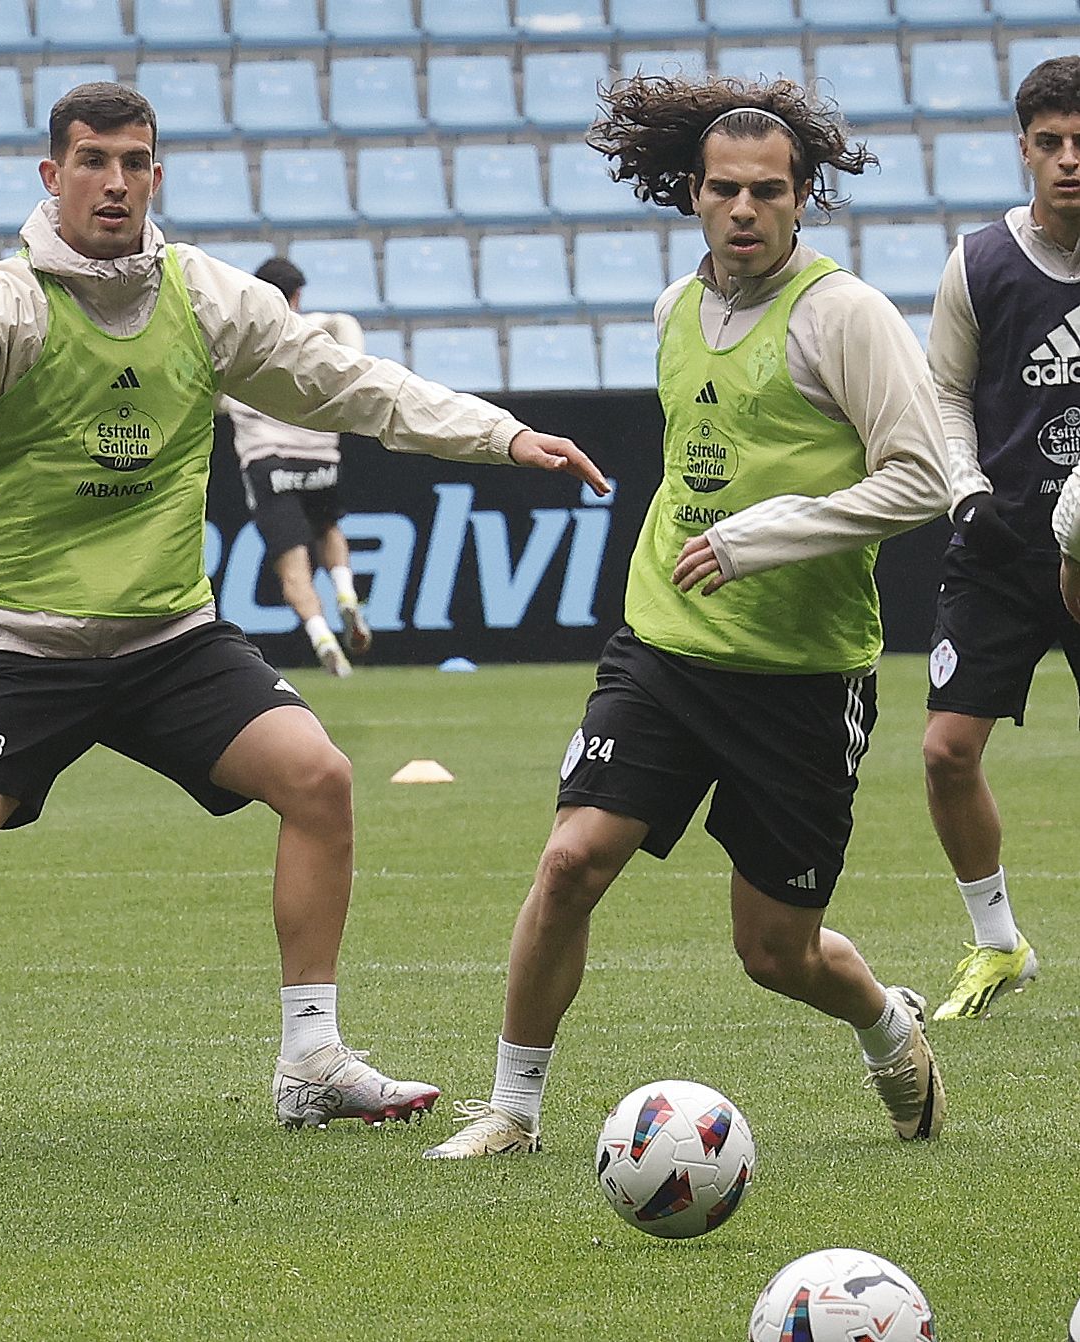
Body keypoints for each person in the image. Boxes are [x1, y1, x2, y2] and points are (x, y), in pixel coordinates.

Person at [0, 81, 609, 1141]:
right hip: (31, 638)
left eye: (134, 162)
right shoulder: (14, 295)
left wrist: (499, 435)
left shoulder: (205, 295)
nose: (115, 182)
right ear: (50, 174)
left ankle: (309, 1060)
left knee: (318, 778)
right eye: (92, 161)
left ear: (155, 173)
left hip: (169, 638)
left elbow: (349, 384)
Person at [422, 75, 952, 1160]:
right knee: (570, 861)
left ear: (802, 197)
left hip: (802, 673)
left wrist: (761, 537)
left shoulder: (843, 315)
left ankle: (884, 1022)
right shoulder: (674, 308)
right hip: (663, 646)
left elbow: (922, 481)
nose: (744, 209)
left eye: (767, 190)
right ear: (691, 195)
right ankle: (513, 1112)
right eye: (723, 190)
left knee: (775, 953)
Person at [919, 56, 1080, 1021]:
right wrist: (965, 490)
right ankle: (996, 943)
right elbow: (941, 391)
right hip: (1000, 544)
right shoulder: (978, 261)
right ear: (1021, 147)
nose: (1068, 161)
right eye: (1050, 143)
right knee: (944, 751)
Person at [222, 257, 373, 677]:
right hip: (320, 458)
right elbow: (349, 338)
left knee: (292, 564)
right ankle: (345, 593)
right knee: (329, 530)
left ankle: (321, 634)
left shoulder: (239, 342)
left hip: (269, 462)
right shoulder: (317, 337)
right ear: (297, 295)